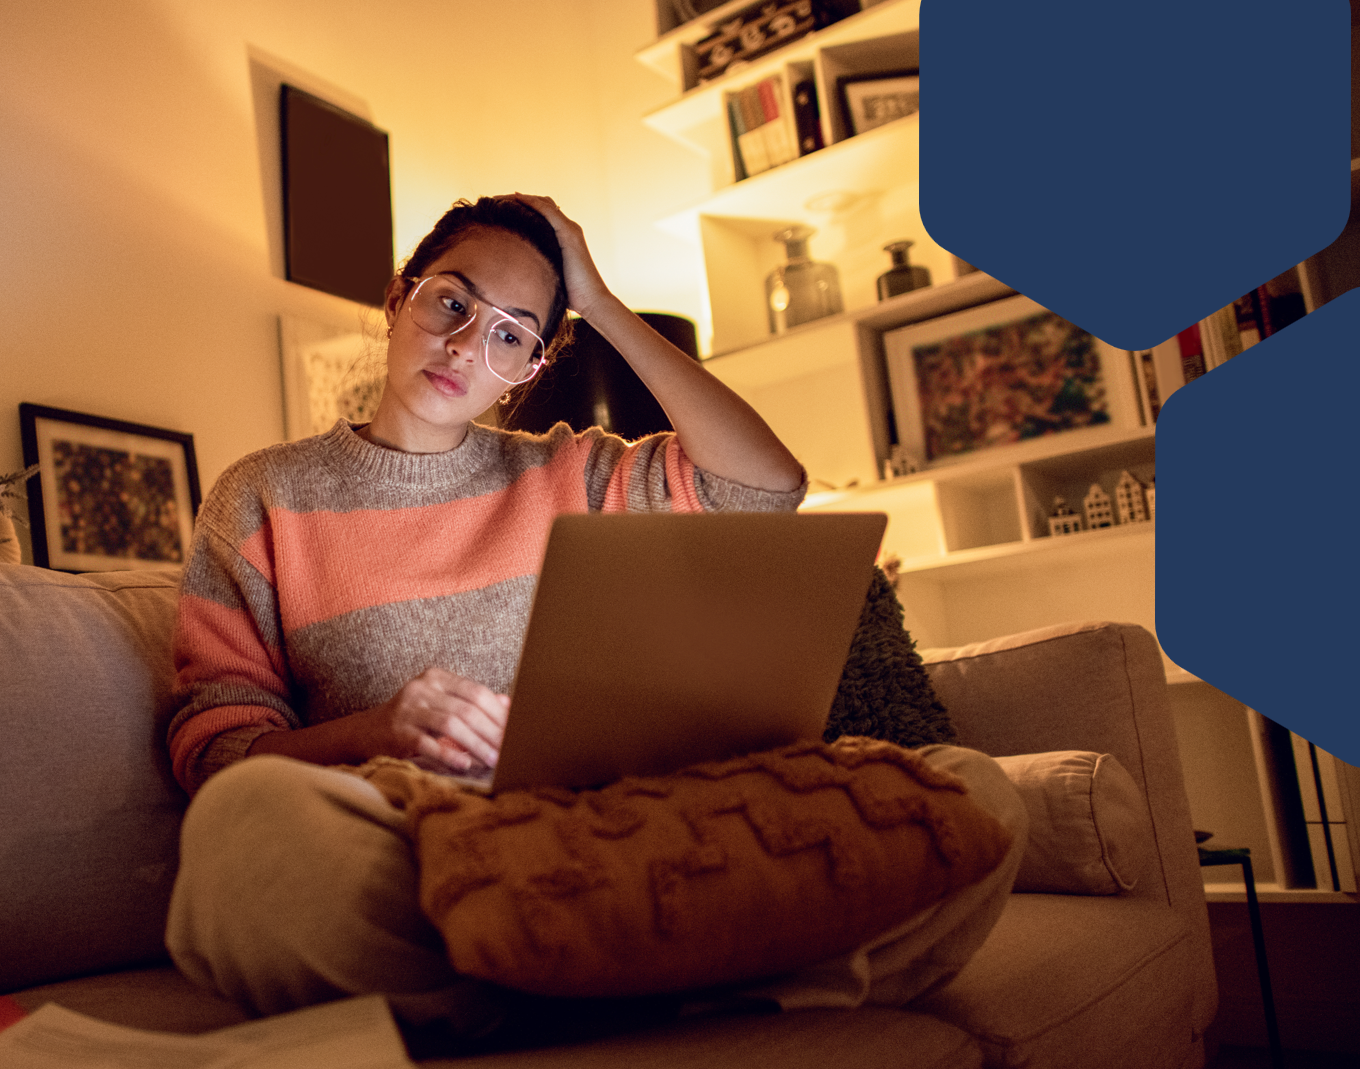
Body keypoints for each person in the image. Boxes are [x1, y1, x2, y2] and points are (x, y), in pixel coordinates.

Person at [163, 195, 1022, 1046]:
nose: (466, 343)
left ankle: (552, 998)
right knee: (243, 832)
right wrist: (381, 728)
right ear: (399, 299)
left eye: (510, 334)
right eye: (451, 302)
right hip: (418, 847)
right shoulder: (261, 494)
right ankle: (692, 992)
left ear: (531, 368)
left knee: (971, 792)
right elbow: (221, 754)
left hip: (613, 834)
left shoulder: (572, 471)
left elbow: (764, 489)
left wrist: (600, 304)